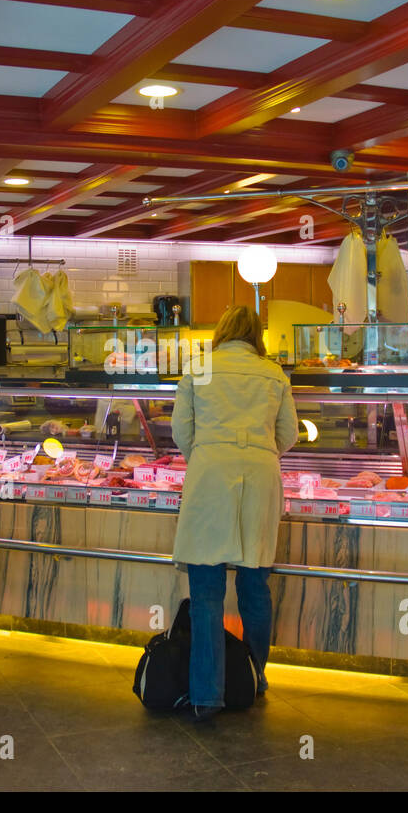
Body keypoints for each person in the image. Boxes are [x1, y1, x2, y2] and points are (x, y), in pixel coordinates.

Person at [171, 305, 299, 721]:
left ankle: (206, 696)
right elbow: (289, 434)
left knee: (207, 591)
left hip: (210, 478)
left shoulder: (200, 368)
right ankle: (253, 676)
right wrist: (259, 457)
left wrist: (208, 457)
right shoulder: (274, 373)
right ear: (257, 336)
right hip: (261, 479)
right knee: (254, 585)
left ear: (222, 331)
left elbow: (180, 431)